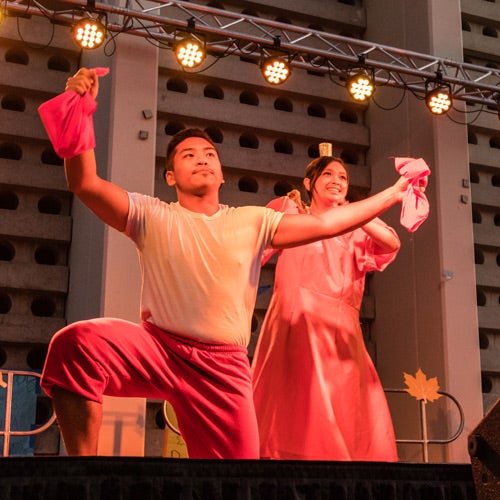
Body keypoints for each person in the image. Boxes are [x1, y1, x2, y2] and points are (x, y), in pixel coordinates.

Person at [40, 67, 410, 459]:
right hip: (159, 349)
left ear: (221, 173)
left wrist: (393, 192)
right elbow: (86, 184)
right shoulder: (151, 214)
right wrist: (77, 107)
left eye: (209, 155)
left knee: (238, 478)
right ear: (170, 176)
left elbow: (324, 223)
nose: (201, 160)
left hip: (222, 370)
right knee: (75, 345)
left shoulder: (252, 220)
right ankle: (81, 472)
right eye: (188, 155)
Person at [252, 155, 400, 461]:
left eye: (343, 177)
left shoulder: (358, 227)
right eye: (328, 174)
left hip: (338, 329)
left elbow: (391, 243)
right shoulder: (292, 212)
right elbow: (255, 244)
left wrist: (356, 213)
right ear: (309, 183)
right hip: (296, 319)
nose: (337, 181)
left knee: (341, 407)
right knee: (295, 402)